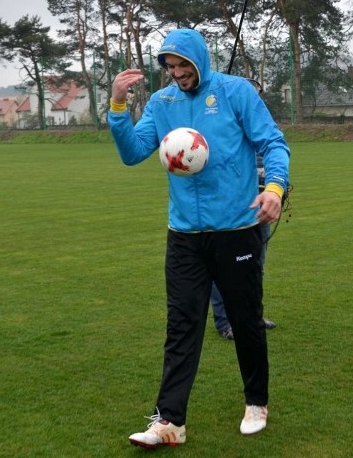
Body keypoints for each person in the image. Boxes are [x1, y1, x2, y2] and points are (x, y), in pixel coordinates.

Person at [108, 28, 289, 449]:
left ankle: (256, 402)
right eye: (170, 67)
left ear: (200, 60)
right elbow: (133, 151)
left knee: (245, 319)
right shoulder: (162, 102)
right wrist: (118, 106)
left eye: (183, 65)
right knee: (182, 324)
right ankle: (170, 421)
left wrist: (274, 188)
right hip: (185, 234)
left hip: (238, 230)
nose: (177, 74)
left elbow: (273, 143)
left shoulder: (236, 92)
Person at [211, 153, 276, 340]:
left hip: (261, 209)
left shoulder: (265, 141)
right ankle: (224, 321)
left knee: (256, 266)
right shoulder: (230, 138)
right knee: (222, 268)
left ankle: (253, 316)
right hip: (232, 211)